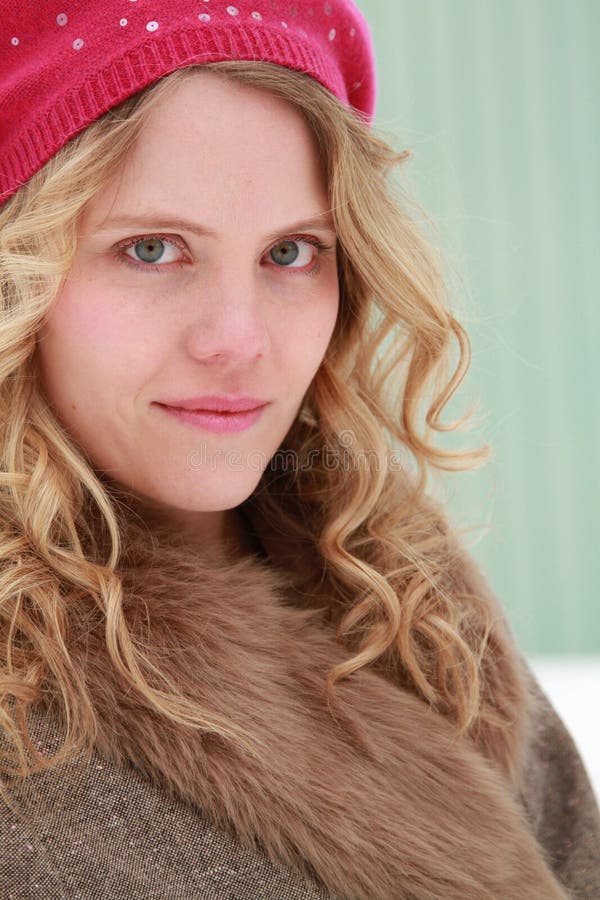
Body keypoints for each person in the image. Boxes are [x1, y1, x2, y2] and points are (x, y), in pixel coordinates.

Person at [0, 3, 598, 898]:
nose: (238, 340)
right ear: (20, 274)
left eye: (290, 252)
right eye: (152, 249)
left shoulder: (403, 590)